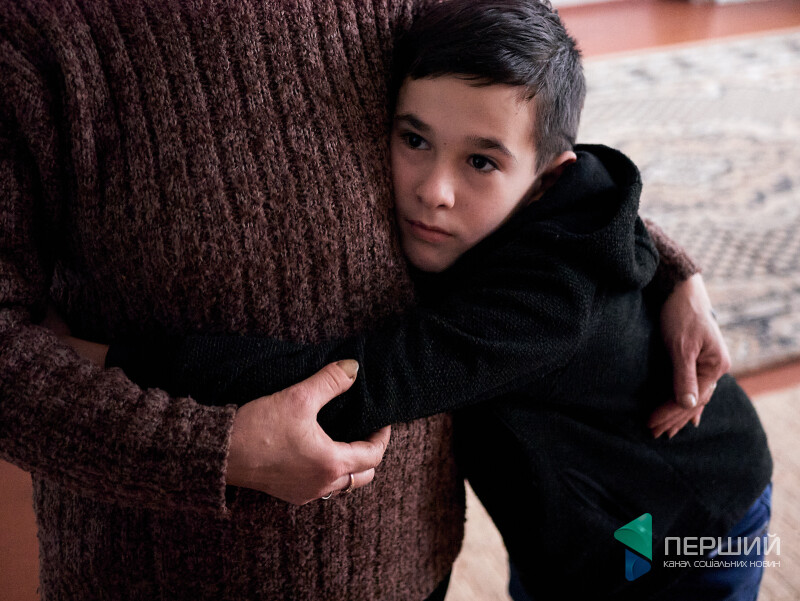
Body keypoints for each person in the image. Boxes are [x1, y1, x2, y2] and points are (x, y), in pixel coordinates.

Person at [1, 1, 729, 600]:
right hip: (159, 568)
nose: (434, 192)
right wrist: (203, 447)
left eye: (476, 162)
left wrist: (667, 268)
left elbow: (526, 120)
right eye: (412, 139)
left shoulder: (548, 295)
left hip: (663, 520)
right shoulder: (38, 32)